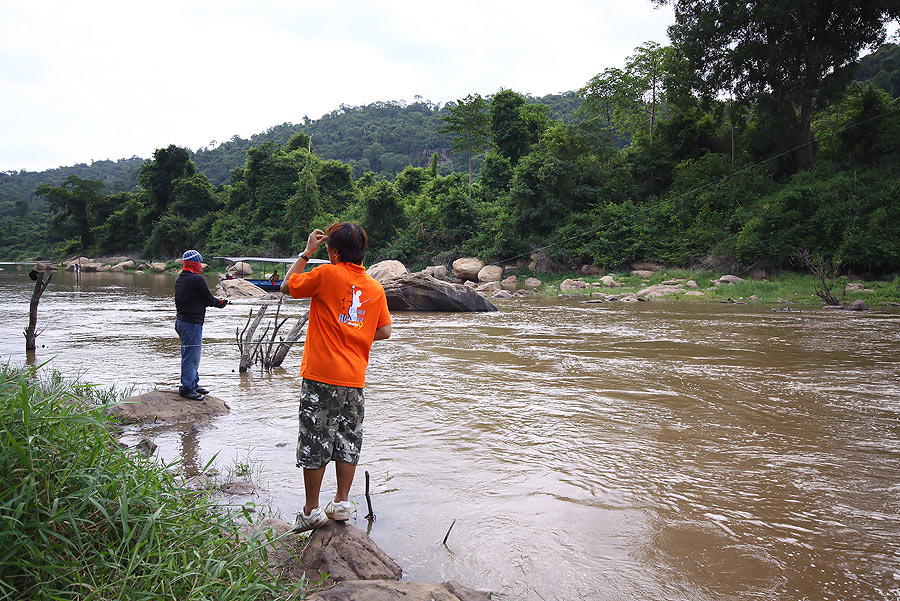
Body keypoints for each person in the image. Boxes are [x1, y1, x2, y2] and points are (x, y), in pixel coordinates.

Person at [281, 223, 392, 532]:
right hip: (354, 378)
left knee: (315, 440)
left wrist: (306, 253)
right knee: (348, 439)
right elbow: (384, 330)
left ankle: (311, 510)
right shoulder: (374, 287)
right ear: (362, 253)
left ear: (332, 251)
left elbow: (287, 287)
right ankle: (341, 503)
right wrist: (357, 330)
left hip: (321, 376)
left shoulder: (326, 274)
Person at [174, 250, 228, 401]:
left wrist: (215, 301)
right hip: (191, 324)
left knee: (189, 355)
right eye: (199, 263)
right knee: (192, 357)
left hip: (181, 322)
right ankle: (187, 388)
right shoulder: (197, 279)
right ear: (195, 264)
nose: (200, 266)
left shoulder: (180, 278)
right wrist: (221, 303)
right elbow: (208, 299)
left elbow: (200, 299)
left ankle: (193, 383)